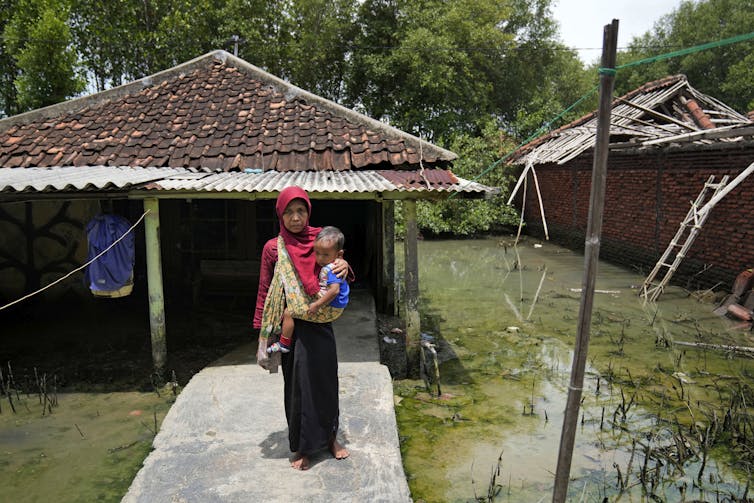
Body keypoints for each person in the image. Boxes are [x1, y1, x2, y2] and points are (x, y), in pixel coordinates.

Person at [253, 186, 351, 471]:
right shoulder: (274, 248)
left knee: (326, 383)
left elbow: (338, 270)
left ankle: (331, 439)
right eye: (289, 212)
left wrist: (345, 265)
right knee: (297, 387)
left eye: (301, 211)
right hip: (292, 326)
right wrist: (261, 340)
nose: (296, 218)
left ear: (309, 212)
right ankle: (302, 447)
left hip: (321, 324)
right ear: (280, 215)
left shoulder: (322, 239)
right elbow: (264, 291)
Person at [267, 226, 350, 354]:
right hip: (331, 303)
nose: (320, 258)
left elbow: (334, 291)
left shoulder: (333, 269)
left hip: (331, 307)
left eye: (325, 255)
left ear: (339, 255)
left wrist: (317, 304)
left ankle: (284, 343)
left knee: (289, 312)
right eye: (317, 253)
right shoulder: (330, 264)